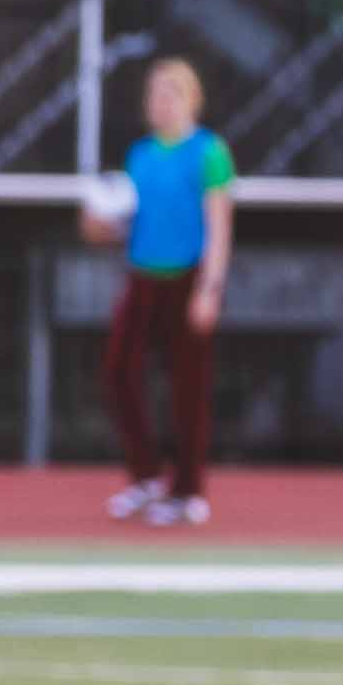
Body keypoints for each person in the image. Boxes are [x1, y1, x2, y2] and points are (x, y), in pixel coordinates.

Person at [80, 56, 233, 527]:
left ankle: (187, 490)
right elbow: (132, 222)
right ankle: (146, 475)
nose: (160, 103)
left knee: (189, 386)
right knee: (118, 370)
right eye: (154, 94)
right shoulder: (140, 155)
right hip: (143, 275)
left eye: (171, 94)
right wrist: (101, 229)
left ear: (192, 99)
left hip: (187, 277)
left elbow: (218, 226)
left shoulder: (209, 152)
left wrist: (209, 289)